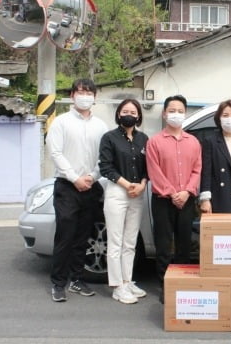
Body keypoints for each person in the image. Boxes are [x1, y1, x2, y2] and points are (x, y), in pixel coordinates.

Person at [46, 78, 108, 302]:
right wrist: (74, 178)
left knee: (83, 236)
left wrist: (92, 176)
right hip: (67, 186)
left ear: (95, 97)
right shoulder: (61, 122)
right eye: (80, 91)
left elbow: (104, 157)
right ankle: (58, 283)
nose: (85, 96)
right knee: (65, 235)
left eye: (89, 92)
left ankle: (77, 279)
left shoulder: (101, 126)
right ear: (72, 95)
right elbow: (56, 153)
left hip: (91, 186)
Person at [146, 95, 202, 303]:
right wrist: (171, 193)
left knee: (184, 244)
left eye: (180, 111)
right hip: (163, 200)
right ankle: (164, 285)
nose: (176, 114)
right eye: (172, 110)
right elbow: (154, 172)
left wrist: (187, 192)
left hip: (187, 200)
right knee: (163, 244)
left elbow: (197, 170)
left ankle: (182, 284)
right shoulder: (155, 142)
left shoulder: (193, 142)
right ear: (164, 113)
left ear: (185, 113)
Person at [99, 98, 148, 305]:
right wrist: (128, 185)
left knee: (131, 242)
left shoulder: (143, 138)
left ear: (138, 116)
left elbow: (148, 167)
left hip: (138, 193)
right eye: (125, 110)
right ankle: (117, 286)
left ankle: (128, 281)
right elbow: (106, 168)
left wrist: (143, 184)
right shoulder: (109, 138)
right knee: (116, 242)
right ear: (119, 114)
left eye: (133, 111)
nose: (129, 114)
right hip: (118, 192)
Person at [199, 99, 231, 214]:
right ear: (219, 118)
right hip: (221, 196)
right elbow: (206, 172)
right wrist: (205, 199)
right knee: (223, 231)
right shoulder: (210, 141)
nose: (229, 119)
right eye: (225, 115)